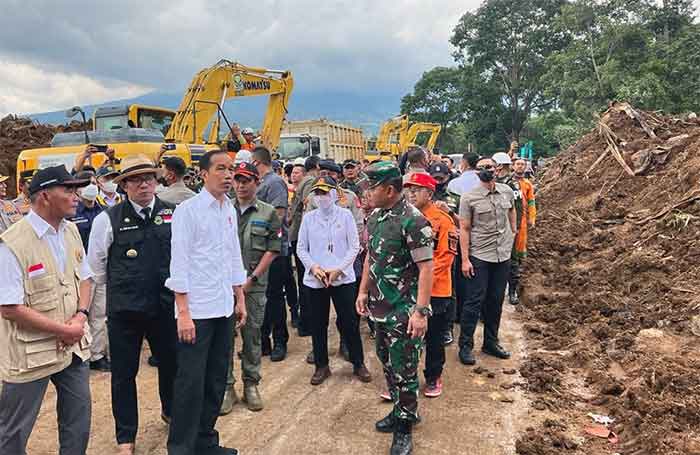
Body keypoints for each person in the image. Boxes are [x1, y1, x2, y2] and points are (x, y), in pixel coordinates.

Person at [0, 166, 93, 455]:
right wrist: (64, 330)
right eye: (68, 190)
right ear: (44, 196)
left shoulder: (71, 231)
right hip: (31, 354)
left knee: (78, 421)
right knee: (13, 432)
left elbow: (86, 279)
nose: (76, 195)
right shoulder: (12, 244)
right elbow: (9, 307)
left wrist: (80, 316)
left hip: (73, 346)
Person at [88, 155, 177, 455]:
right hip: (125, 312)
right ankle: (126, 437)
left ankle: (171, 412)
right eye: (136, 179)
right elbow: (97, 269)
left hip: (165, 308)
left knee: (171, 366)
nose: (144, 184)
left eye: (149, 178)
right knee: (124, 376)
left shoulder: (172, 214)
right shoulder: (107, 220)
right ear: (124, 185)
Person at [166, 149, 247, 455]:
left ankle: (205, 442)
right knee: (190, 384)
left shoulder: (229, 209)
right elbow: (180, 263)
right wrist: (183, 313)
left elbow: (233, 256)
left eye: (231, 170)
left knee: (215, 380)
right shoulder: (188, 211)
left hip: (223, 306)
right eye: (221, 169)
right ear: (203, 174)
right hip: (196, 312)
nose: (228, 175)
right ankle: (181, 448)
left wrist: (239, 297)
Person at [356, 161, 434, 455]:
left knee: (406, 370)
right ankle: (400, 411)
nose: (367, 192)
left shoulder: (414, 221)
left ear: (390, 190)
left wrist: (420, 312)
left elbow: (427, 268)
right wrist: (363, 291)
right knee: (388, 364)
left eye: (372, 186)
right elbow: (369, 259)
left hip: (404, 311)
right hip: (379, 308)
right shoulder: (375, 217)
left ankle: (405, 427)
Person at [297, 176, 371, 385]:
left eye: (325, 192)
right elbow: (301, 248)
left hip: (342, 277)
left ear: (334, 193)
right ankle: (321, 366)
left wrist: (339, 269)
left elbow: (354, 246)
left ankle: (358, 362)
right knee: (318, 324)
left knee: (349, 322)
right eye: (317, 193)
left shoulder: (345, 216)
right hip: (316, 278)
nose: (321, 197)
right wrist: (314, 267)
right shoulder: (309, 218)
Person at [220, 162, 281, 414]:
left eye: (247, 180)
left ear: (257, 182)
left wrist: (251, 279)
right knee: (223, 339)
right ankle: (226, 387)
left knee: (252, 336)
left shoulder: (268, 213)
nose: (241, 185)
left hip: (254, 286)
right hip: (223, 286)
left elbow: (272, 249)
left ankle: (251, 384)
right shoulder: (222, 210)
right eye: (237, 180)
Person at [457, 157, 517, 366]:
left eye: (489, 167)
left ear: (497, 168)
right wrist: (465, 260)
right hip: (480, 256)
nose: (486, 170)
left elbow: (512, 211)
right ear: (476, 172)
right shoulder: (469, 198)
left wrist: (513, 233)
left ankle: (491, 342)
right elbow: (464, 229)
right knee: (474, 301)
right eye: (481, 168)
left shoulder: (506, 191)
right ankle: (465, 346)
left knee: (496, 300)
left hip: (502, 255)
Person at [404, 173, 457, 398]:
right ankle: (404, 379)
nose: (412, 193)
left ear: (430, 193)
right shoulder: (404, 218)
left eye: (417, 189)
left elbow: (445, 258)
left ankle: (433, 377)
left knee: (434, 338)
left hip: (436, 290)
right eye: (409, 189)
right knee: (406, 338)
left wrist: (420, 278)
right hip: (407, 290)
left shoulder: (443, 221)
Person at [252, 147, 293, 362]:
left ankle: (279, 341)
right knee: (259, 298)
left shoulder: (274, 182)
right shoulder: (257, 183)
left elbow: (279, 214)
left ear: (257, 162)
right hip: (256, 250)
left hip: (274, 249)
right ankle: (263, 342)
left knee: (275, 298)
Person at [69, 175, 109, 372]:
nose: (91, 187)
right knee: (80, 313)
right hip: (78, 272)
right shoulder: (71, 213)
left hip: (99, 270)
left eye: (94, 183)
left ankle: (97, 355)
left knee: (99, 314)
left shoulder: (103, 211)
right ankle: (79, 352)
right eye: (86, 184)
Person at [288, 155, 321, 337]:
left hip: (297, 234)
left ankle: (304, 321)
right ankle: (306, 323)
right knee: (307, 281)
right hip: (302, 236)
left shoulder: (303, 182)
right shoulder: (310, 183)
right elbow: (307, 207)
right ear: (316, 166)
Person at [509, 158, 537, 305]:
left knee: (517, 256)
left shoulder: (527, 184)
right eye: (517, 164)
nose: (520, 166)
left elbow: (532, 202)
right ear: (513, 166)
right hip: (506, 223)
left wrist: (532, 218)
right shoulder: (506, 183)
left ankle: (512, 290)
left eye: (522, 164)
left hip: (521, 223)